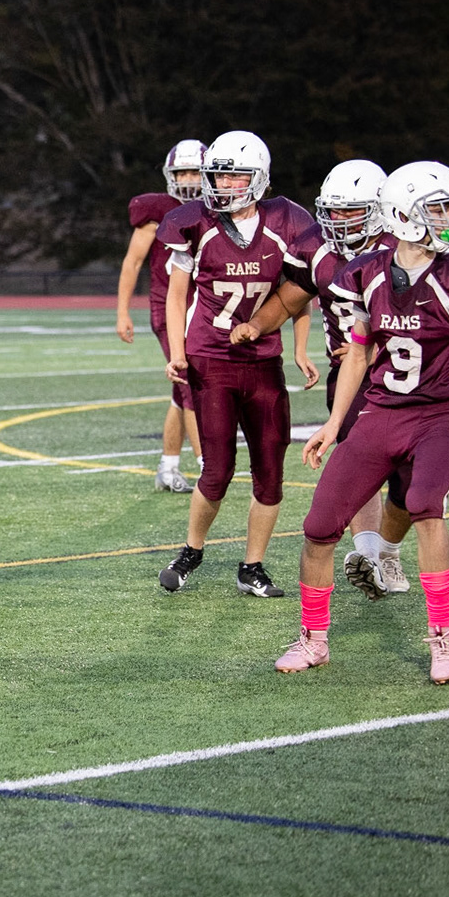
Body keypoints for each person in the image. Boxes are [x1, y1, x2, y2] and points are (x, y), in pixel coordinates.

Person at [278, 162, 449, 683]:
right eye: (438, 208)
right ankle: (313, 638)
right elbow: (356, 355)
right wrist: (334, 426)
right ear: (404, 215)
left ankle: (444, 637)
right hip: (381, 411)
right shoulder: (365, 273)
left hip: (443, 412)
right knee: (318, 526)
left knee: (424, 504)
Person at [153, 131, 318, 597]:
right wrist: (179, 352)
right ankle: (192, 550)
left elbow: (301, 292)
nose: (224, 184)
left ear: (259, 179)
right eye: (218, 174)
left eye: (235, 175)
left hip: (263, 361)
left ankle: (253, 566)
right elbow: (177, 293)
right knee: (217, 469)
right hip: (212, 357)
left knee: (270, 471)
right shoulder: (194, 223)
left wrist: (302, 349)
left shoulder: (285, 222)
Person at [234, 160, 410, 597]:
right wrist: (258, 325)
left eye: (351, 211)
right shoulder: (316, 246)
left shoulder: (404, 245)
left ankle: (387, 550)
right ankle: (369, 555)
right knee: (359, 462)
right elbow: (293, 294)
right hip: (348, 374)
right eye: (332, 210)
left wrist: (376, 343)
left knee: (408, 483)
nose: (338, 220)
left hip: (406, 375)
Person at [116, 140, 205, 492]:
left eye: (194, 172)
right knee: (190, 386)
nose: (186, 179)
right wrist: (123, 311)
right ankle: (206, 465)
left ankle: (168, 467)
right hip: (167, 307)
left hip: (202, 308)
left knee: (179, 393)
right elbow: (132, 262)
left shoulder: (218, 208)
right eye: (181, 172)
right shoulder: (157, 210)